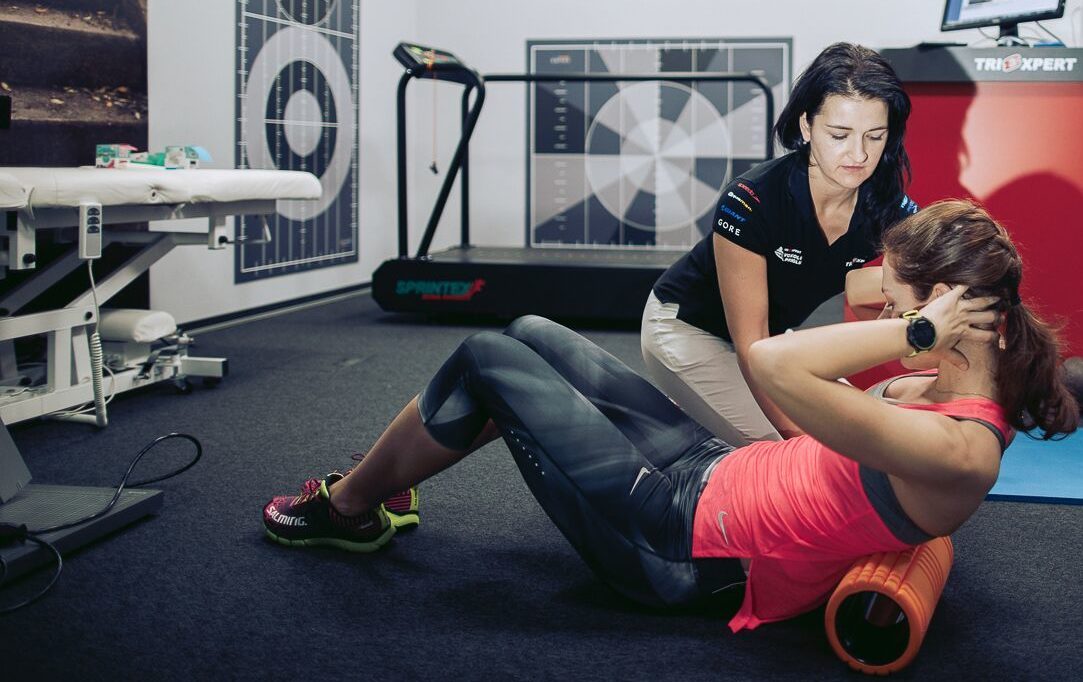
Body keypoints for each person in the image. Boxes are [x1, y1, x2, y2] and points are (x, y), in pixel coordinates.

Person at [263, 200, 1078, 632]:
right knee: (531, 333)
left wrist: (914, 330)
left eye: (898, 309)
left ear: (940, 313)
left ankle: (350, 508)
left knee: (485, 358)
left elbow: (770, 361)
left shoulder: (956, 446)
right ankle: (384, 483)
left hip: (676, 543)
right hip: (713, 473)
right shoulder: (940, 385)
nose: (887, 322)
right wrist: (917, 322)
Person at [642, 42, 918, 447]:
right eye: (839, 135)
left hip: (771, 338)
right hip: (689, 329)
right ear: (807, 127)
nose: (858, 154)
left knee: (857, 432)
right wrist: (795, 441)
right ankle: (694, 418)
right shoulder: (750, 200)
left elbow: (904, 281)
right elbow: (751, 345)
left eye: (874, 136)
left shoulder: (887, 205)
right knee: (806, 451)